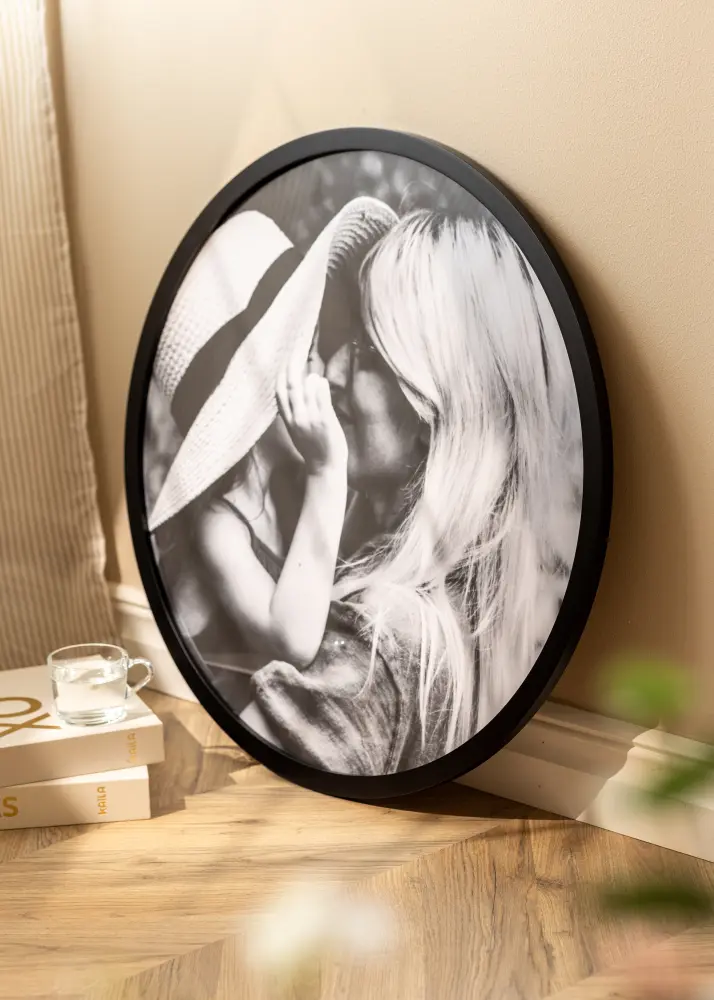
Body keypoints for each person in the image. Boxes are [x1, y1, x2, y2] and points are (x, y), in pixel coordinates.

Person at [235, 210, 583, 773]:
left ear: (433, 406)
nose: (332, 374)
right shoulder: (524, 598)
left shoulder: (378, 651)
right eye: (341, 342)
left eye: (368, 354)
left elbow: (245, 803)